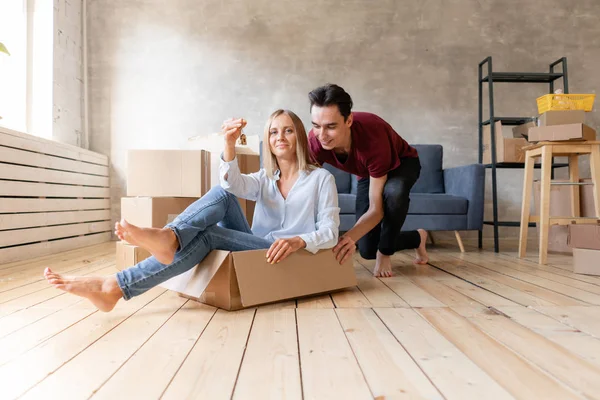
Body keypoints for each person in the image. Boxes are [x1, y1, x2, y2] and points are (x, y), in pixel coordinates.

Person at [44, 110, 340, 312]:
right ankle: (165, 241)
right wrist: (228, 144)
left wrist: (298, 240)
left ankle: (120, 281)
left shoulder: (320, 179)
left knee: (208, 236)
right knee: (223, 193)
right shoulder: (264, 179)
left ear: (300, 136)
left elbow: (329, 232)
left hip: (280, 251)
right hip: (255, 243)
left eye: (288, 130)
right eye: (274, 132)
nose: (280, 137)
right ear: (268, 141)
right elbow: (231, 182)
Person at [307, 83, 428, 278]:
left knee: (394, 193)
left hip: (402, 164)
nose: (322, 135)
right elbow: (306, 190)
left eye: (330, 127)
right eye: (315, 126)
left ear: (349, 120)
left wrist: (347, 238)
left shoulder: (373, 140)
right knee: (366, 249)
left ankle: (385, 251)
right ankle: (418, 237)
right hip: (367, 172)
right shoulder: (315, 142)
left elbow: (376, 209)